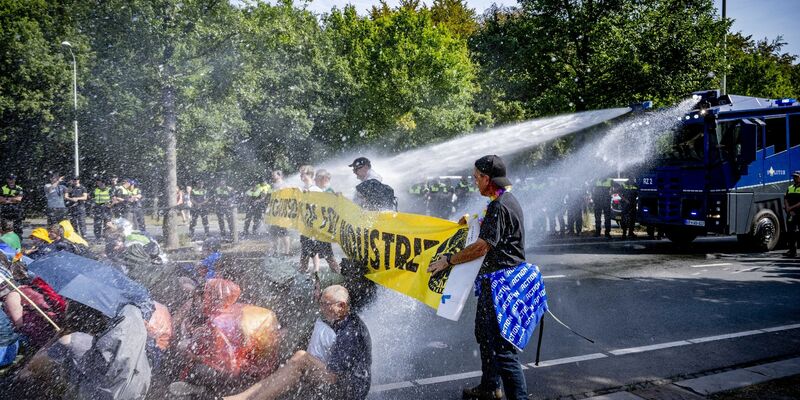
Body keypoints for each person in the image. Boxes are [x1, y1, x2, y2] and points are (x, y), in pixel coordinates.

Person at [428, 155, 527, 400]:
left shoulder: (499, 206)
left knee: (503, 349)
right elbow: (490, 228)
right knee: (485, 335)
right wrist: (470, 222)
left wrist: (448, 260)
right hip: (495, 283)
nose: (474, 182)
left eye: (476, 178)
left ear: (487, 178)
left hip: (502, 286)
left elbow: (482, 247)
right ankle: (490, 387)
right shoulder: (503, 201)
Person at [224, 285, 371, 400]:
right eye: (321, 303)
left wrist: (305, 364)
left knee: (301, 359)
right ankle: (245, 396)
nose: (322, 308)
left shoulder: (350, 332)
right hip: (340, 380)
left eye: (326, 304)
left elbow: (333, 377)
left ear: (342, 306)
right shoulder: (341, 319)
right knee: (298, 359)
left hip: (349, 390)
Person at [268, 170, 290, 255]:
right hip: (273, 212)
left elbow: (289, 198)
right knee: (273, 232)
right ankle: (275, 251)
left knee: (283, 232)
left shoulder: (285, 185)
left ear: (280, 175)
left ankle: (286, 252)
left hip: (282, 212)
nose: (272, 176)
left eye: (274, 175)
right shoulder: (272, 185)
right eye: (272, 175)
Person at [785, 171, 800, 257]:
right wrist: (788, 208)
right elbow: (786, 198)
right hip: (791, 213)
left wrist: (790, 208)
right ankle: (792, 251)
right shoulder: (790, 187)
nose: (795, 178)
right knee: (791, 232)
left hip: (798, 212)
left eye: (797, 177)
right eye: (794, 177)